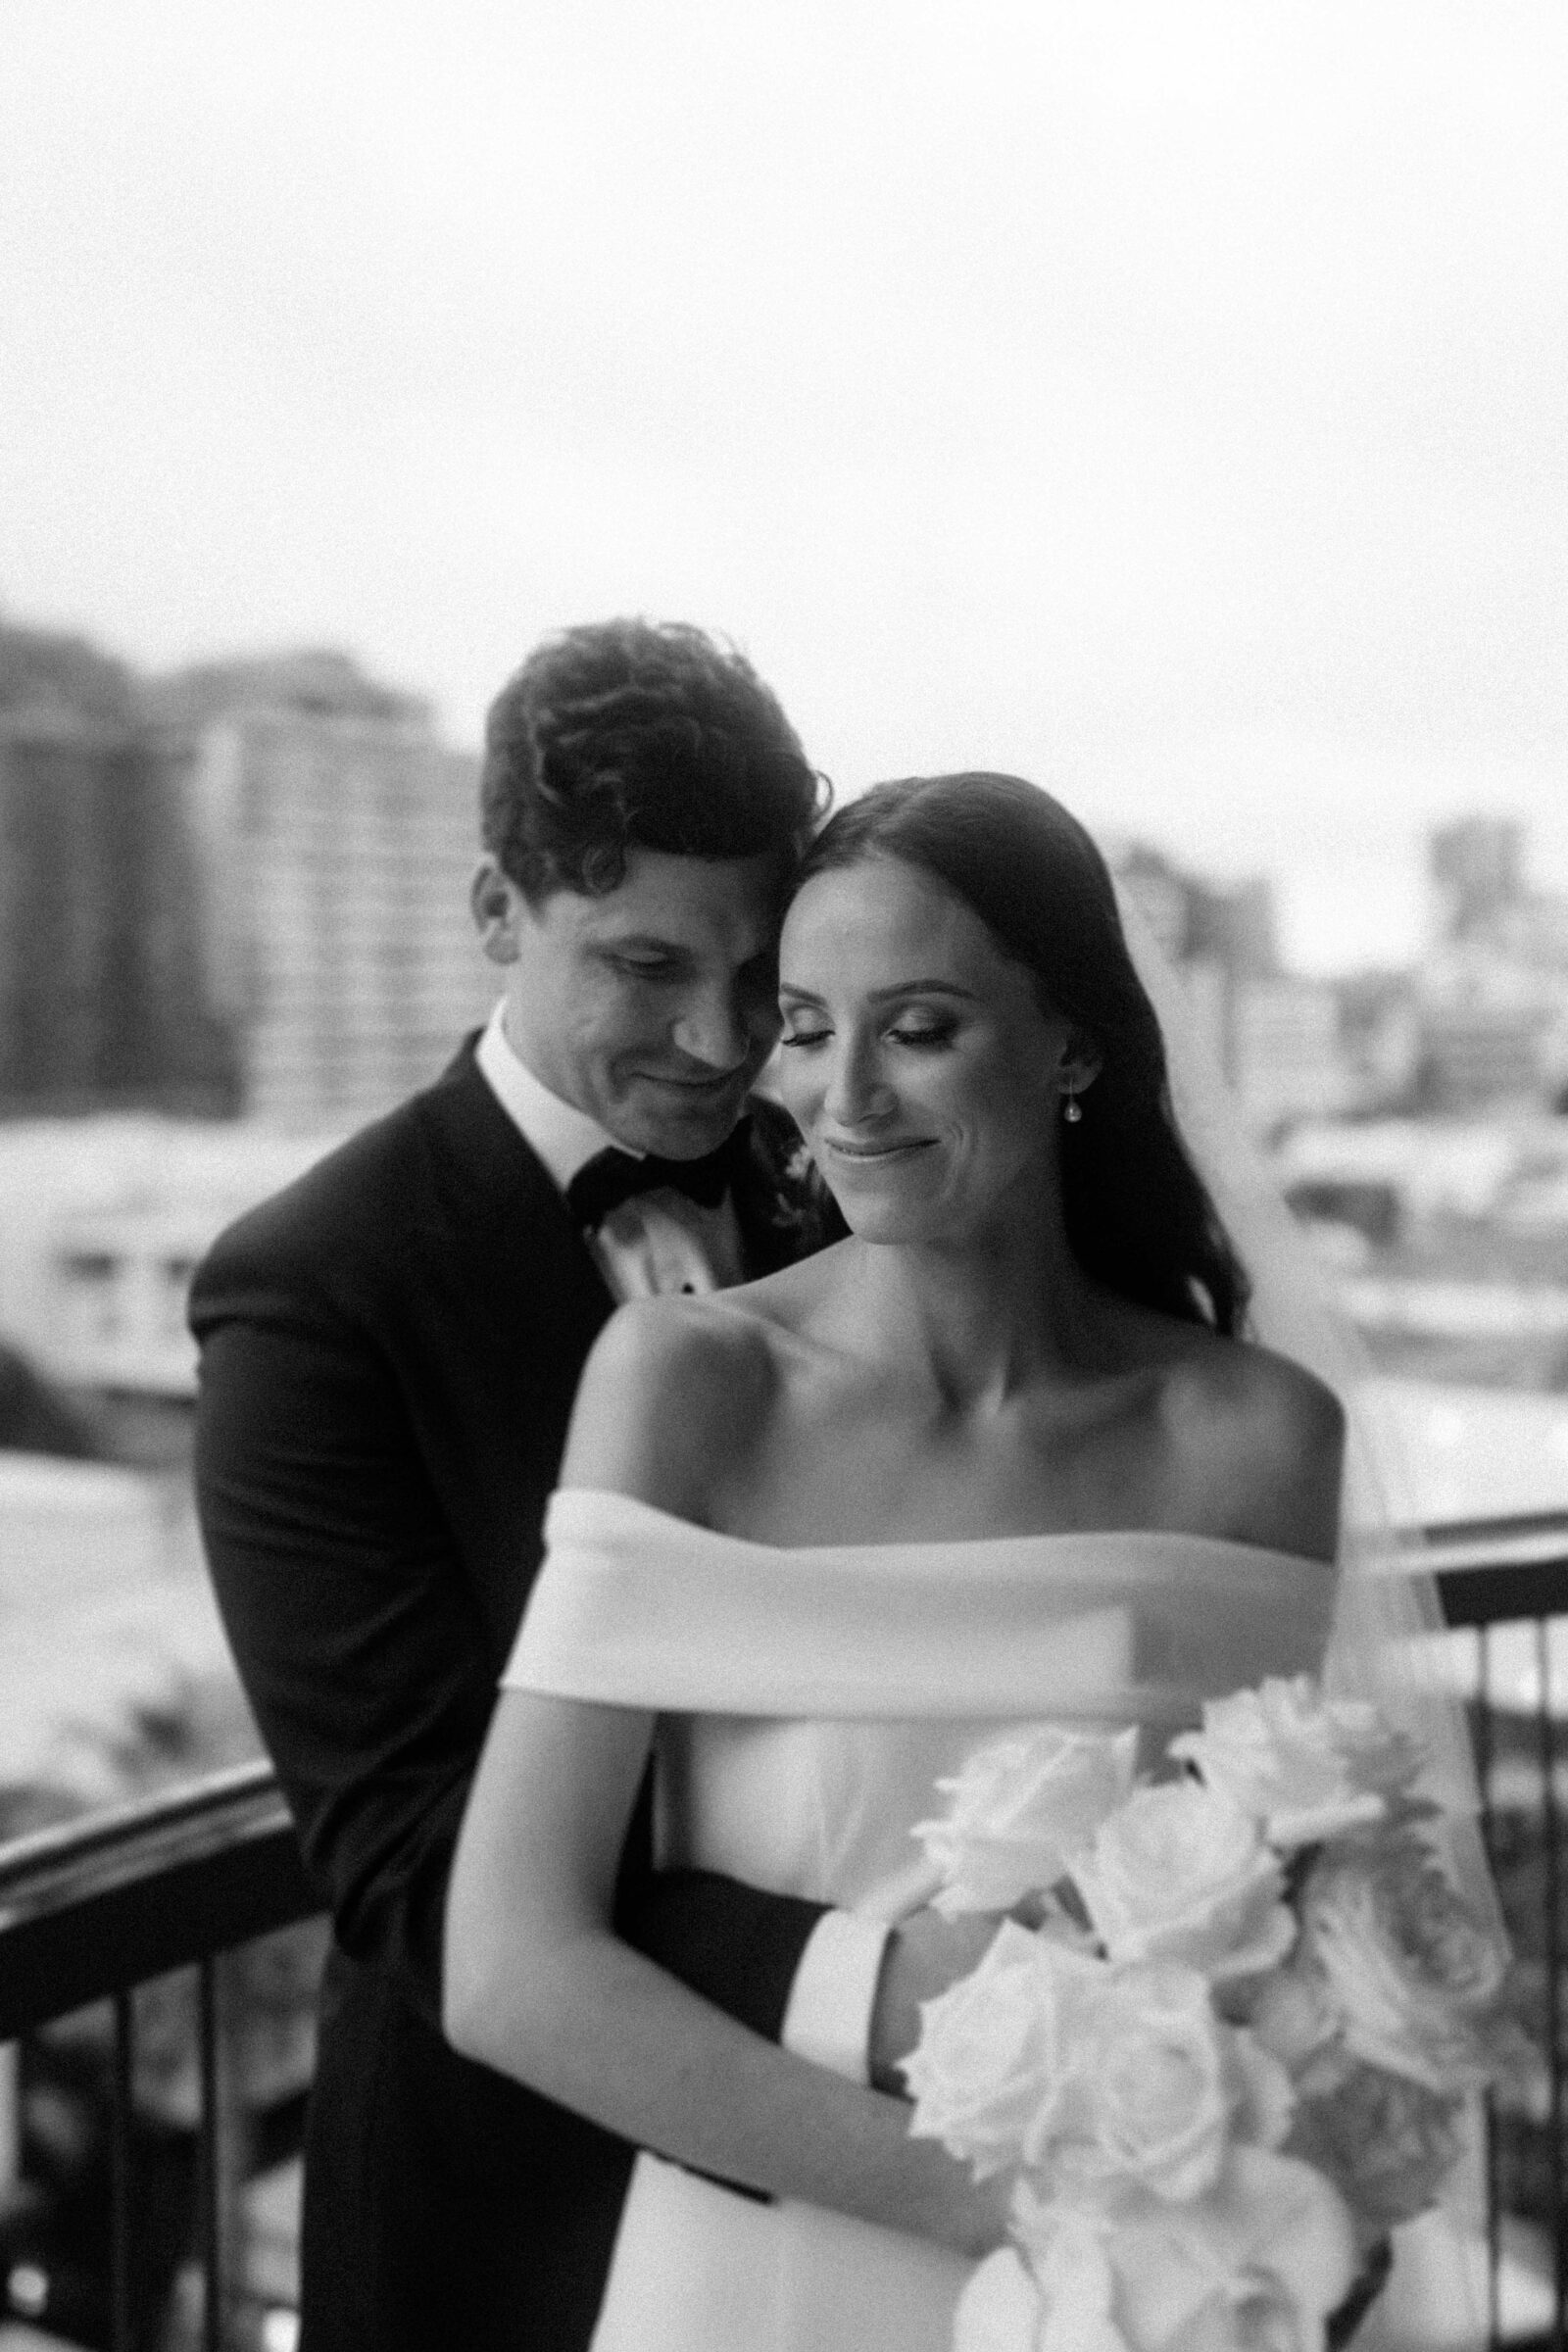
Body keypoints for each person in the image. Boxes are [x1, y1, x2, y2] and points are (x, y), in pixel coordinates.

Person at [445, 770, 1357, 2351]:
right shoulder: (687, 1387)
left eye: (919, 1027)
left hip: (1155, 2284)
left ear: (1072, 1044)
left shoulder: (1258, 1441)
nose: (841, 1092)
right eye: (806, 1025)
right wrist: (1003, 2212)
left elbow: (1279, 1927)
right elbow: (512, 1969)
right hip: (768, 2275)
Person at [190, 625, 995, 2352]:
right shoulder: (312, 1292)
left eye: (752, 970)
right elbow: (415, 1864)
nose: (720, 1043)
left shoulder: (840, 1178)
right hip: (518, 2212)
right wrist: (894, 1991)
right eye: (643, 966)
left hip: (876, 2240)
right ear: (498, 913)